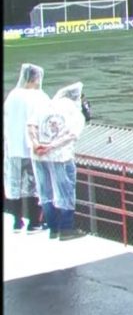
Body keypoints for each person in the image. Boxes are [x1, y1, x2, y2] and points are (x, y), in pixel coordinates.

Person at [29, 81, 89, 241]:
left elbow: (31, 126)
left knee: (45, 193)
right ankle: (66, 229)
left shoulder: (45, 104)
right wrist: (50, 147)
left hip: (38, 155)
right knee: (66, 192)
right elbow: (71, 135)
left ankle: (53, 229)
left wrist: (37, 144)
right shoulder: (75, 112)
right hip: (60, 157)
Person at [4, 63, 46, 234]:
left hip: (13, 148)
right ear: (35, 78)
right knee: (34, 186)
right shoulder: (37, 96)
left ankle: (17, 222)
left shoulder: (13, 95)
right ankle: (34, 222)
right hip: (31, 148)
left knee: (14, 185)